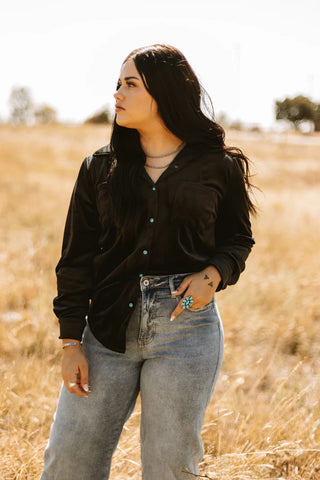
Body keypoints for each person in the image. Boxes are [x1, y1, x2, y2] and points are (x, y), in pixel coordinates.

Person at [40, 44, 256, 480]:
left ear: (165, 93)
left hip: (187, 332)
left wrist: (213, 275)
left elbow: (238, 239)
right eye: (117, 84)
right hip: (105, 330)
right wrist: (69, 342)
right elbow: (76, 259)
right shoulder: (99, 168)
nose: (117, 93)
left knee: (169, 469)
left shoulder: (218, 166)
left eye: (131, 84)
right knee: (68, 464)